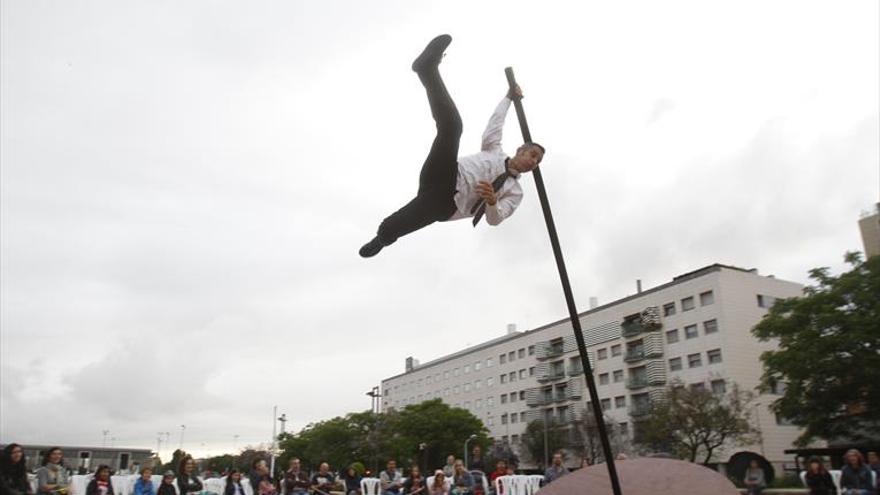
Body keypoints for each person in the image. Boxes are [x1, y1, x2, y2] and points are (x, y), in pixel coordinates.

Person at [358, 34, 546, 258]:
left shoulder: (514, 192)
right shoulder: (494, 150)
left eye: (537, 161)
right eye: (533, 154)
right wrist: (507, 98)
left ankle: (382, 238)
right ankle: (427, 70)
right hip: (445, 171)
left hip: (448, 203)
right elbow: (496, 123)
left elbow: (495, 220)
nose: (533, 161)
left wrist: (492, 201)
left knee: (397, 223)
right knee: (452, 127)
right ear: (521, 150)